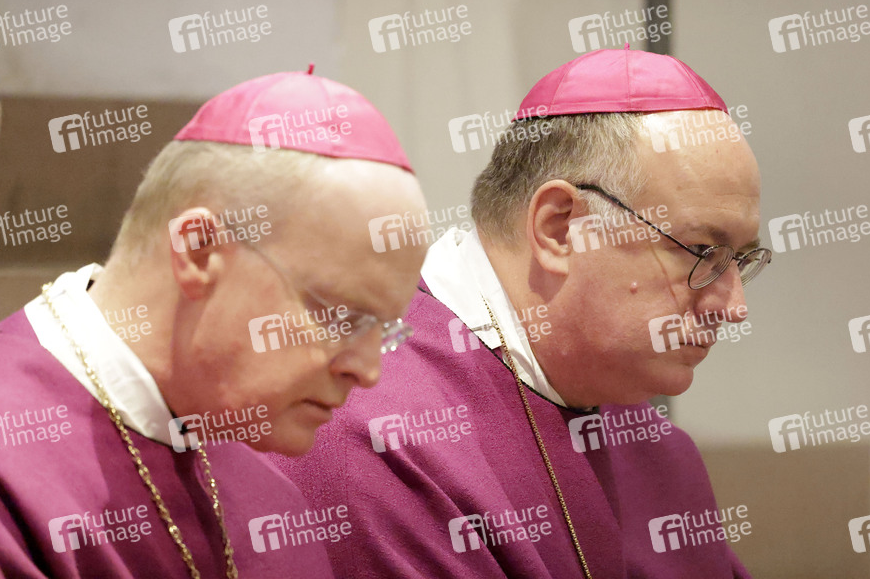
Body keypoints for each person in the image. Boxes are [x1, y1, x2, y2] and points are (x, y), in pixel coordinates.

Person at [272, 47, 769, 578]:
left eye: (740, 260)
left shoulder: (659, 452)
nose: (734, 307)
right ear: (560, 228)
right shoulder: (373, 432)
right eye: (701, 252)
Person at [0, 70, 427, 578]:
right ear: (198, 251)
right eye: (343, 317)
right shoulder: (11, 462)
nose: (368, 371)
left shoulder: (272, 497)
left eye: (384, 328)